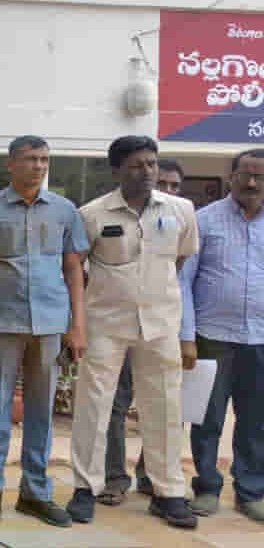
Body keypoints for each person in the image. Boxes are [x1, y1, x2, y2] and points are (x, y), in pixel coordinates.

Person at [67, 136, 199, 529]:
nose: (147, 172)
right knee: (94, 406)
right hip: (105, 324)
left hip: (160, 324)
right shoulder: (91, 214)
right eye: (137, 165)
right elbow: (76, 268)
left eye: (152, 164)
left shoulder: (180, 210)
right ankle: (85, 488)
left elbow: (180, 259)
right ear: (117, 170)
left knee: (164, 406)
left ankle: (168, 492)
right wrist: (77, 324)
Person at [0, 136, 87, 526]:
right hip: (4, 319)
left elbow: (73, 268)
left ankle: (35, 492)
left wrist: (77, 324)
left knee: (41, 410)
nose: (39, 166)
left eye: (44, 159)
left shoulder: (65, 210)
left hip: (50, 321)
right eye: (31, 159)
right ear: (11, 164)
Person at [178, 148, 264, 521]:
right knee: (207, 418)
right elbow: (183, 282)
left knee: (256, 420)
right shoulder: (204, 221)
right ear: (231, 178)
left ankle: (251, 491)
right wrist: (186, 335)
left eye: (260, 176)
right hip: (211, 336)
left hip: (260, 339)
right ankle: (208, 487)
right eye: (245, 175)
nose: (252, 182)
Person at [100, 159, 184, 503]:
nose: (167, 190)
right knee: (114, 405)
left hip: (161, 327)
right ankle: (113, 478)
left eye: (174, 185)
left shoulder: (180, 217)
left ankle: (154, 479)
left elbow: (180, 268)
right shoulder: (104, 215)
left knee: (162, 405)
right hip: (116, 326)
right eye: (163, 183)